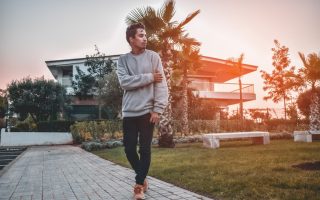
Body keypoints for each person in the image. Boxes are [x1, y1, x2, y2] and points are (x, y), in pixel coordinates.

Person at [116, 22, 169, 200]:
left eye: (145, 35)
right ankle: (143, 177)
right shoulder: (123, 60)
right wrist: (149, 77)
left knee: (145, 149)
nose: (145, 38)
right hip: (129, 112)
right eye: (140, 35)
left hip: (148, 112)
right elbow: (124, 83)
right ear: (131, 39)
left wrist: (158, 110)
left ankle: (139, 186)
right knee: (129, 149)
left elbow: (161, 85)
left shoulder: (153, 57)